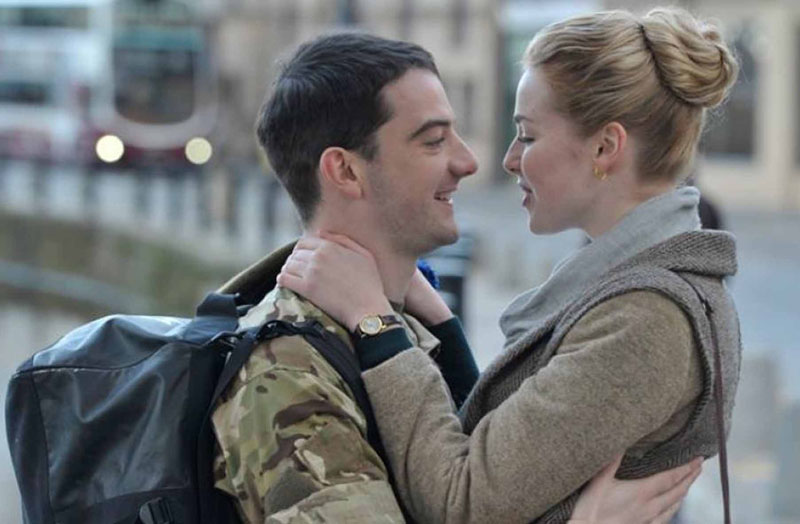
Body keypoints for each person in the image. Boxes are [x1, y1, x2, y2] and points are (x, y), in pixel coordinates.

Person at [279, 8, 741, 524]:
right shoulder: (639, 289)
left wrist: (374, 323)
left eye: (527, 135)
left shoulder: (646, 321)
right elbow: (508, 452)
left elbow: (463, 502)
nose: (508, 159)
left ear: (605, 147)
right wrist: (444, 331)